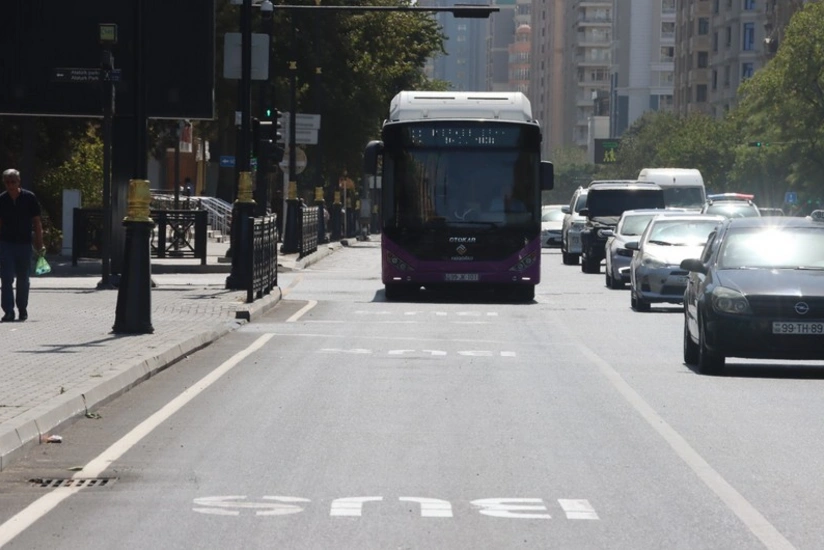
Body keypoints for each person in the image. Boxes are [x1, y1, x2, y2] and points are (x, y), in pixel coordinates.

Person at [0, 169, 44, 322]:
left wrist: (40, 243)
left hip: (25, 244)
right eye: (7, 182)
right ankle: (8, 311)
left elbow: (37, 222)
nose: (10, 185)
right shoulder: (2, 200)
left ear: (19, 182)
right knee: (6, 278)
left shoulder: (29, 198)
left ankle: (22, 308)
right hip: (6, 244)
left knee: (23, 278)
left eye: (13, 181)